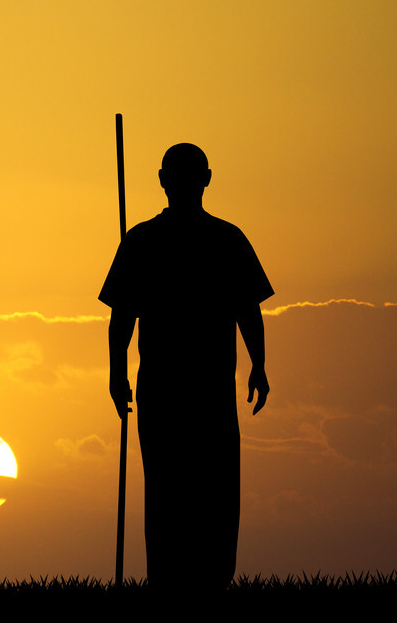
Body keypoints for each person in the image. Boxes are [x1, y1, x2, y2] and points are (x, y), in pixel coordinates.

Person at [98, 143, 272, 592]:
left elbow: (122, 318)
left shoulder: (147, 239)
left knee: (174, 486)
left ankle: (191, 581)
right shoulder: (219, 238)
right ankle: (188, 582)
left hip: (189, 386)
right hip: (187, 387)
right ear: (207, 178)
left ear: (162, 179)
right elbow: (123, 315)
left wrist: (259, 364)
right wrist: (258, 364)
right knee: (197, 485)